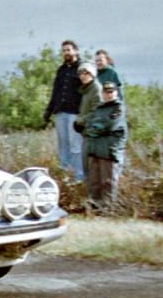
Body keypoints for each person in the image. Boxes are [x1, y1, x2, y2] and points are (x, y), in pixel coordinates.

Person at [76, 82, 127, 210]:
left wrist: (91, 130)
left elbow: (109, 125)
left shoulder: (118, 108)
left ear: (116, 92)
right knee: (94, 180)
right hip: (94, 149)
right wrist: (85, 127)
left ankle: (108, 208)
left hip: (109, 150)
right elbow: (89, 122)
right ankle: (95, 206)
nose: (108, 95)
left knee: (108, 182)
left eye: (111, 92)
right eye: (106, 92)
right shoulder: (99, 108)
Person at [44, 40, 84, 181]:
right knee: (63, 146)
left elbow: (87, 90)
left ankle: (79, 177)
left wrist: (84, 114)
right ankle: (66, 176)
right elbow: (56, 91)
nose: (66, 53)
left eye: (68, 50)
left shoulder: (82, 68)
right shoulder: (61, 70)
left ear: (76, 51)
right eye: (64, 50)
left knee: (76, 146)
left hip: (75, 113)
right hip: (60, 112)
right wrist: (48, 111)